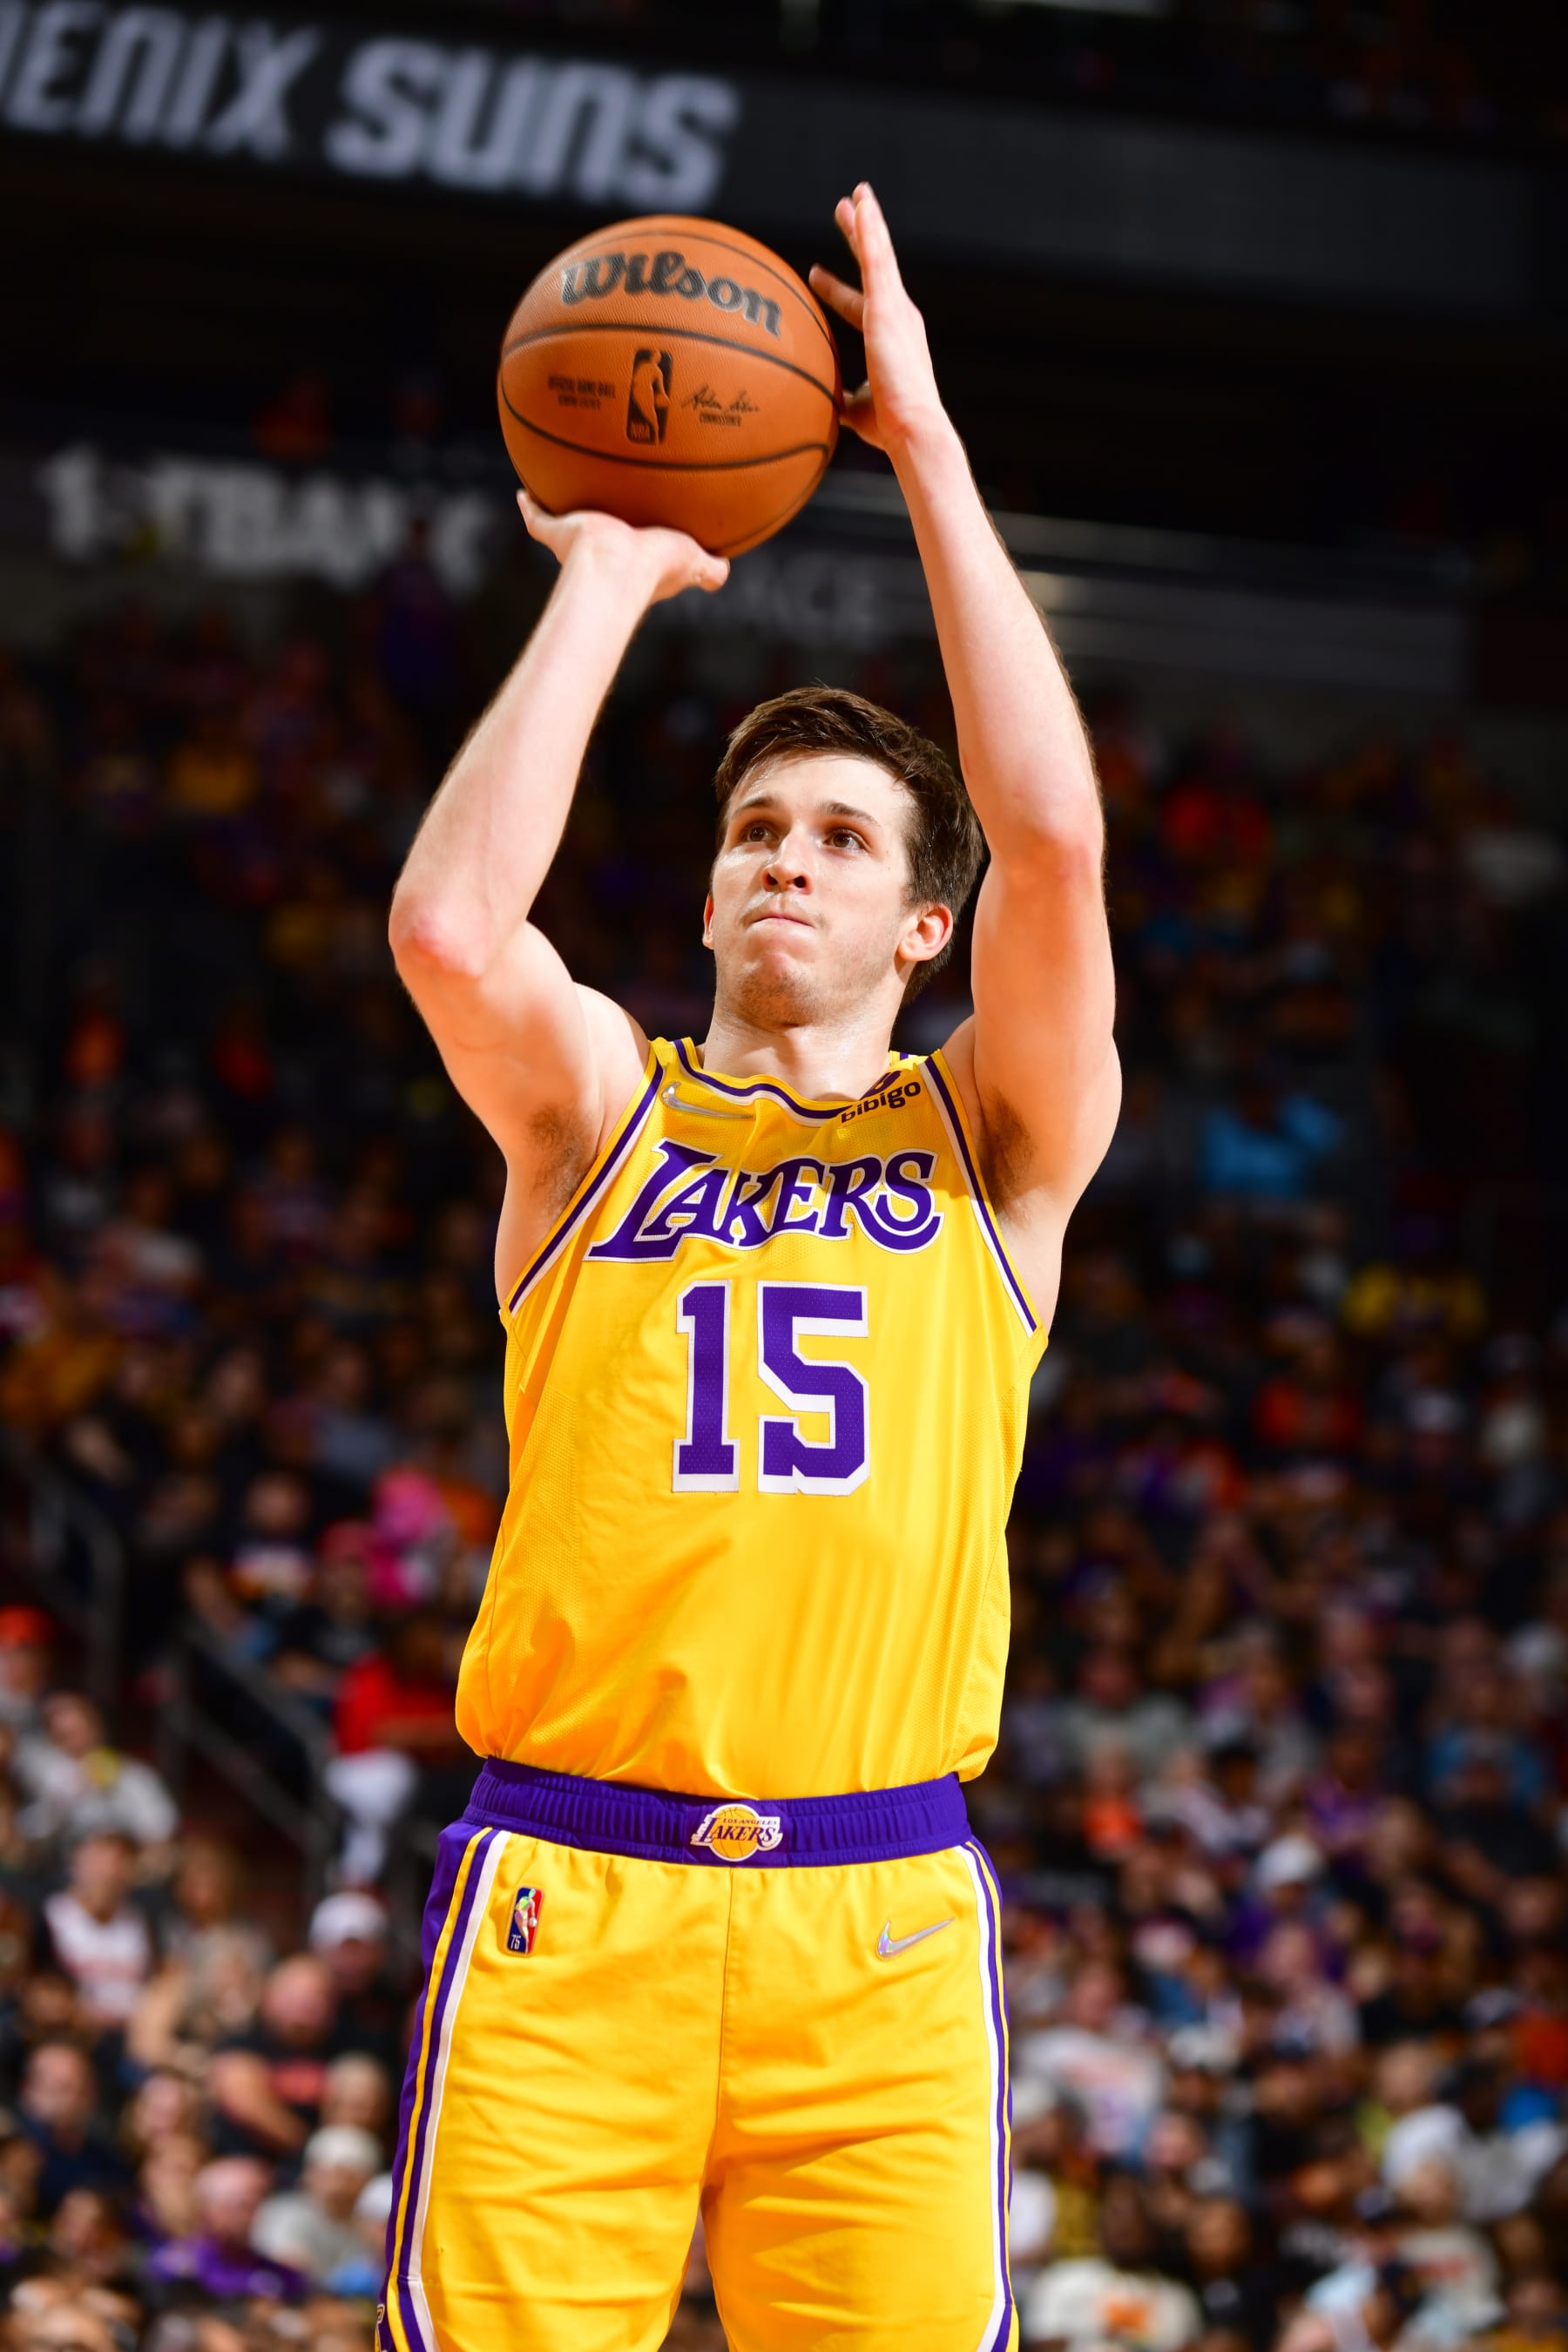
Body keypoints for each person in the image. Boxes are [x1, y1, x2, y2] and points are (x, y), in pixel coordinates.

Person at [384, 184, 1118, 2347]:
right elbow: (446, 931)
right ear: (705, 895)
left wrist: (929, 453)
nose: (783, 859)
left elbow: (1055, 838)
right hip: (568, 1892)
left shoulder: (992, 1144)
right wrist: (610, 577)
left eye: (839, 840)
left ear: (923, 929)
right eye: (752, 834)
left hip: (877, 1920)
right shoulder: (600, 1111)